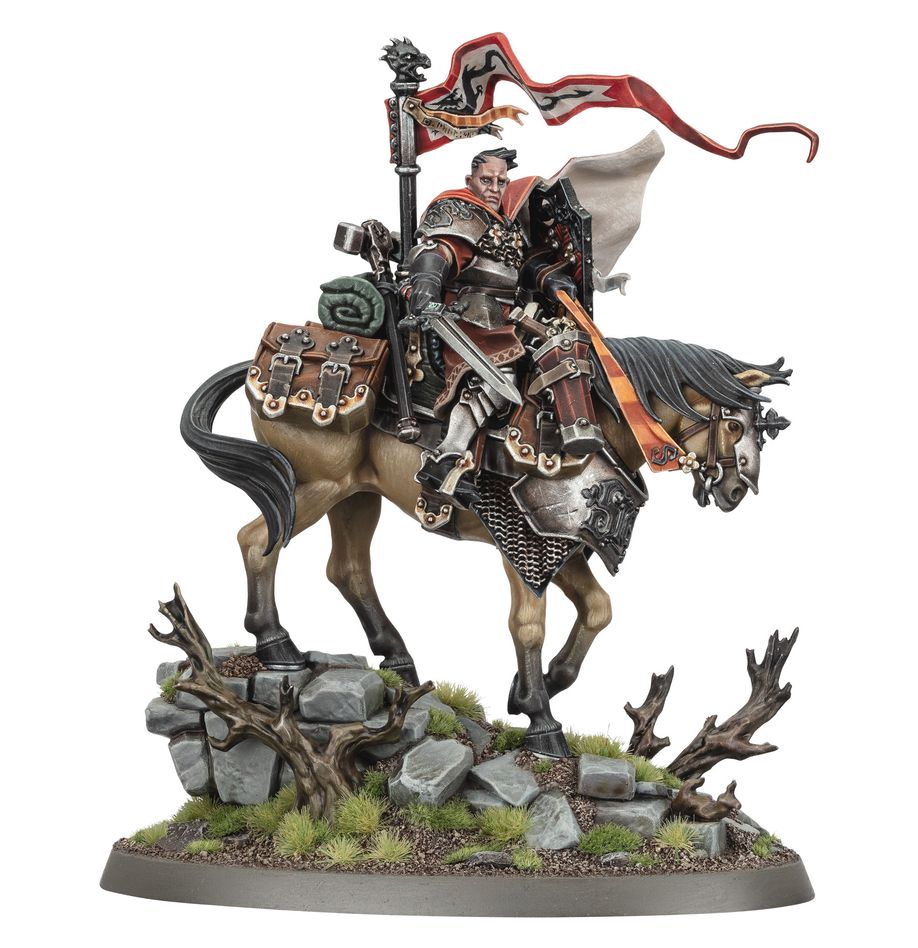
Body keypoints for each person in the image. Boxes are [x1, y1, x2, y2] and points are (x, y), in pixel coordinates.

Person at [404, 147, 587, 511]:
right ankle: (446, 458)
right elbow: (438, 252)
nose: (494, 188)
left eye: (501, 181)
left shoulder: (506, 222)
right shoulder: (457, 210)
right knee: (497, 375)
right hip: (471, 311)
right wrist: (426, 286)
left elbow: (521, 264)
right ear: (470, 180)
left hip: (513, 312)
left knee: (563, 351)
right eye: (486, 180)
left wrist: (550, 279)